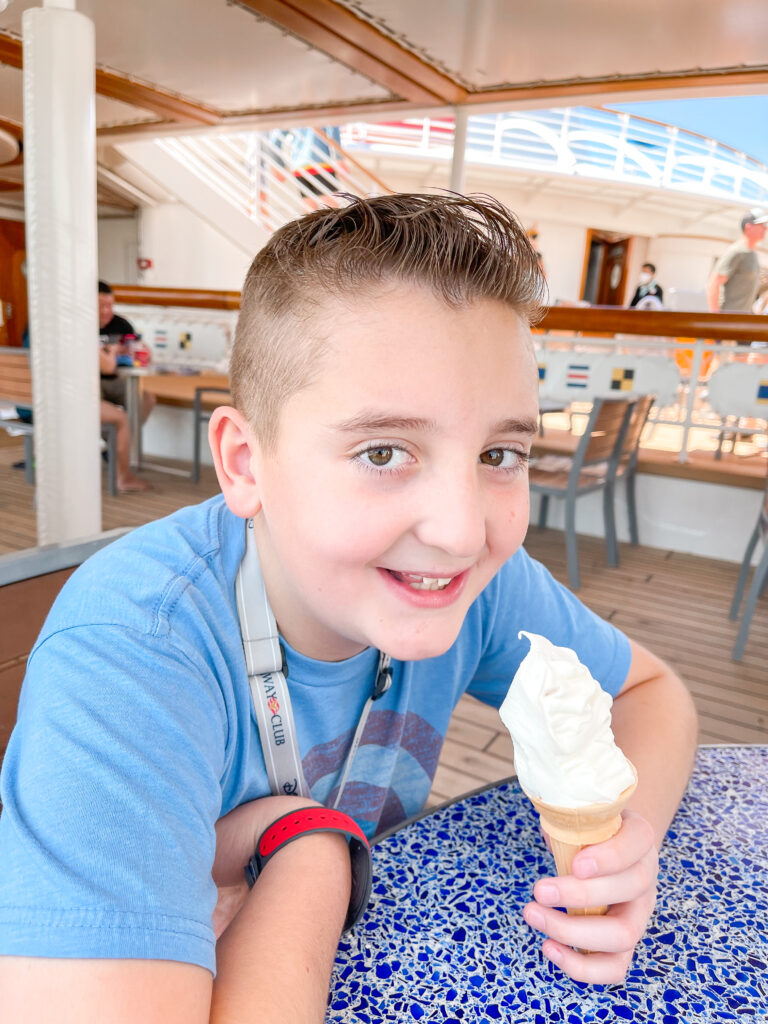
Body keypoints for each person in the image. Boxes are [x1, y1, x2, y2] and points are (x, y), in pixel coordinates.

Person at [0, 195, 698, 1021]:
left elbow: (651, 694)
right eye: (383, 452)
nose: (462, 528)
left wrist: (628, 843)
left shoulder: (472, 586)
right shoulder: (134, 650)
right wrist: (310, 845)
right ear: (245, 463)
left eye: (499, 454)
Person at [98, 280, 154, 492]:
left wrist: (139, 350)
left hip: (116, 384)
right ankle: (123, 476)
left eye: (110, 305)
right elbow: (108, 367)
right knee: (120, 418)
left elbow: (141, 353)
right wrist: (113, 352)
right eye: (101, 306)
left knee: (147, 399)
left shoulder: (121, 324)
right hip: (89, 388)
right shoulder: (81, 328)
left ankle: (115, 447)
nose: (107, 311)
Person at [706, 209, 768, 312]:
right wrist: (715, 316)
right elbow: (714, 283)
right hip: (729, 319)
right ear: (749, 227)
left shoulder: (752, 254)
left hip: (743, 319)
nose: (765, 229)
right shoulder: (737, 251)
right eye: (761, 225)